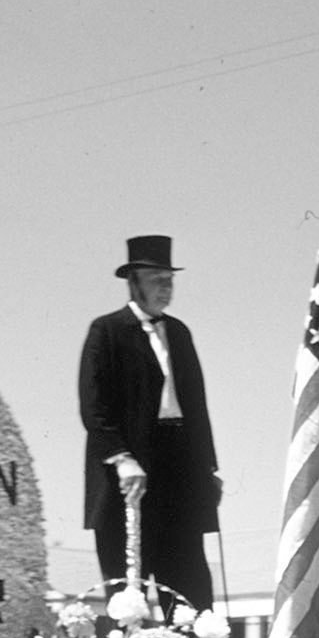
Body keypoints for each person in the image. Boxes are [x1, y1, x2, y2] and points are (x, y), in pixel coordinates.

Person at [77, 235, 221, 613]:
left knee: (190, 593)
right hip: (128, 478)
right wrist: (122, 458)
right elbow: (93, 408)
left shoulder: (179, 333)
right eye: (158, 280)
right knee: (129, 594)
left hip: (179, 475)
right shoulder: (105, 331)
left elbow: (197, 408)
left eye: (170, 280)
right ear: (134, 282)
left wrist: (208, 469)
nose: (166, 288)